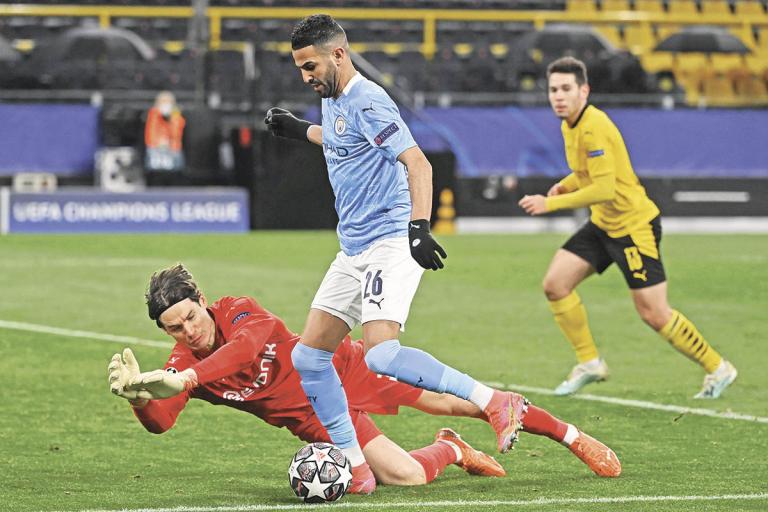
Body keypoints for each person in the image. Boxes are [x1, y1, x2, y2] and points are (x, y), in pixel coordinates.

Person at [262, 14, 530, 492]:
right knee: (309, 358)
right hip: (353, 247)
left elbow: (417, 162)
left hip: (389, 240)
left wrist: (418, 229)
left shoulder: (370, 100)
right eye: (300, 68)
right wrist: (300, 129)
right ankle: (352, 463)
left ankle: (494, 400)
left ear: (338, 54)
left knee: (381, 355)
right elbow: (344, 139)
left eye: (310, 66)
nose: (305, 76)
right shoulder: (337, 99)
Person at [108, 264, 621, 495]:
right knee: (407, 478)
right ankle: (453, 450)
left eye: (191, 317)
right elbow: (162, 423)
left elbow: (245, 350)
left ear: (202, 301)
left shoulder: (239, 312)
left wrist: (189, 378)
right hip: (318, 423)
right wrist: (137, 397)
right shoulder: (179, 363)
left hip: (345, 371)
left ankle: (572, 436)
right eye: (174, 328)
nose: (188, 331)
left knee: (462, 402)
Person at [518, 56, 737, 399]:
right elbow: (590, 174)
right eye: (553, 90)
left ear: (584, 91)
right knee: (556, 284)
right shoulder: (569, 125)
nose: (558, 96)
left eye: (566, 89)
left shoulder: (595, 126)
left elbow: (605, 189)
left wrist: (551, 203)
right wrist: (566, 185)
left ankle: (718, 367)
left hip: (633, 227)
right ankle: (589, 362)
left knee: (654, 313)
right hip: (603, 224)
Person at [144, 91, 185, 174]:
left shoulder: (176, 115)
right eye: (163, 101)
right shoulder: (153, 114)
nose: (166, 104)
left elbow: (176, 133)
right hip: (155, 149)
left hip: (173, 150)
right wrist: (157, 112)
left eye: (168, 102)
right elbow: (151, 133)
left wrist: (174, 114)